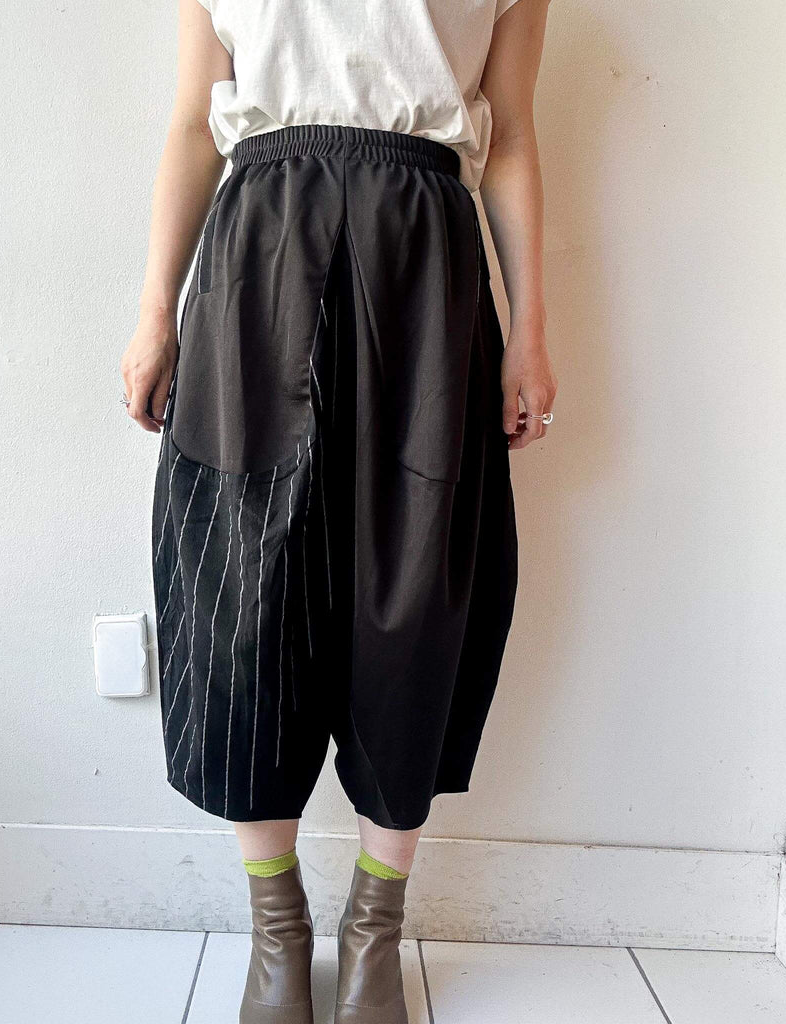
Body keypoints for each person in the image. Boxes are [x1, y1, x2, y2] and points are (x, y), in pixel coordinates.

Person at [121, 1, 556, 1020]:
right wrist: (153, 313)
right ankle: (277, 928)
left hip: (425, 256)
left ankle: (375, 929)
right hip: (257, 247)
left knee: (417, 592)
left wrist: (530, 327)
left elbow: (509, 134)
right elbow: (192, 123)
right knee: (242, 597)